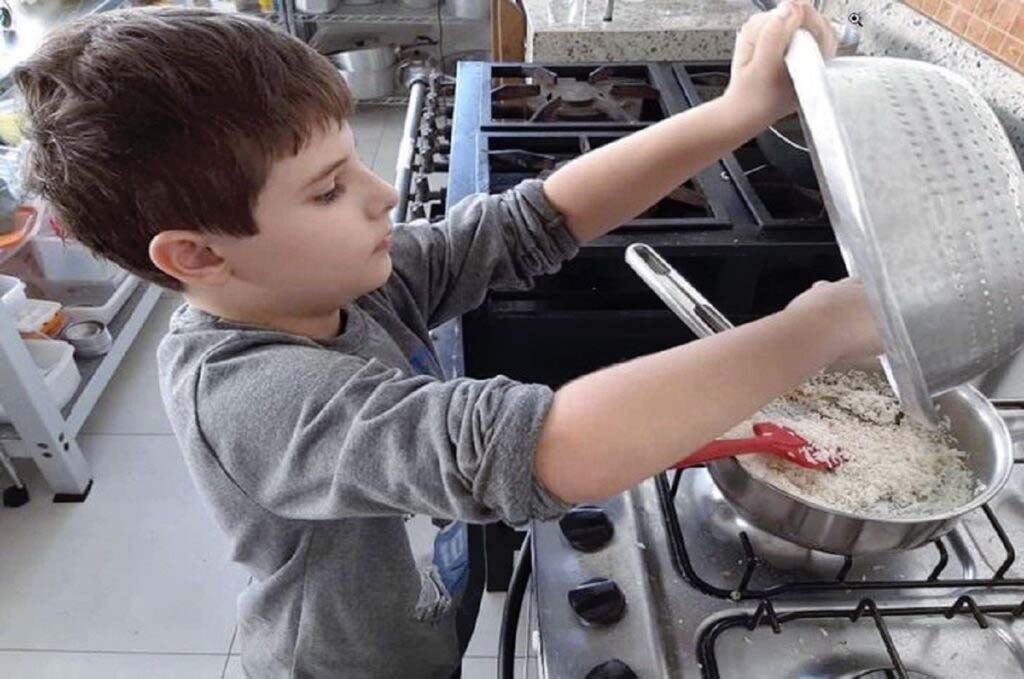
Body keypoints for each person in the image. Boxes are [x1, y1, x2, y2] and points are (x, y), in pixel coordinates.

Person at [13, 3, 880, 677]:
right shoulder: (249, 395)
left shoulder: (333, 283)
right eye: (326, 192)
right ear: (198, 256)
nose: (381, 194)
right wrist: (811, 330)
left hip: (420, 608)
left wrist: (733, 114)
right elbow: (554, 447)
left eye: (356, 162)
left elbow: (530, 221)